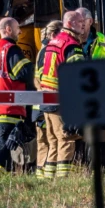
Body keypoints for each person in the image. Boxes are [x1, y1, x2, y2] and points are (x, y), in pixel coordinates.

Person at [0, 18, 35, 177]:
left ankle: (3, 177)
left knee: (6, 145)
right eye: (18, 28)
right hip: (10, 109)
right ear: (9, 29)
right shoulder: (12, 50)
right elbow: (25, 73)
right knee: (2, 147)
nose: (20, 32)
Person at [36, 11, 86, 177]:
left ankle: (48, 179)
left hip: (47, 98)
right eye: (80, 22)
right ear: (70, 24)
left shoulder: (54, 42)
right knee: (66, 139)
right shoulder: (71, 45)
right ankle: (64, 180)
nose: (84, 25)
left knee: (53, 141)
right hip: (61, 100)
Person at [33, 20, 63, 178]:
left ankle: (41, 176)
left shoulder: (41, 51)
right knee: (54, 141)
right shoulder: (51, 51)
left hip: (39, 105)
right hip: (49, 104)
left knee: (43, 143)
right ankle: (49, 176)